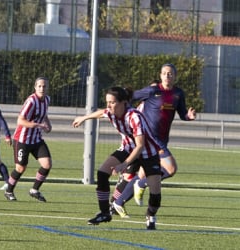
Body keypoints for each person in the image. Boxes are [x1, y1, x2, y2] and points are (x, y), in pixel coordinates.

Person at [111, 63, 196, 219]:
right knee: (170, 169)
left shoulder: (178, 93)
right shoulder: (152, 91)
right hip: (151, 138)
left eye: (170, 73)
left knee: (144, 174)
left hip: (163, 139)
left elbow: (182, 113)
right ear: (160, 75)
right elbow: (129, 98)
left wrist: (188, 117)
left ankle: (118, 202)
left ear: (175, 76)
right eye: (164, 73)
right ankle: (139, 186)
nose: (167, 76)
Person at [72, 86, 162, 229]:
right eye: (107, 102)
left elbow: (140, 146)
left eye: (112, 102)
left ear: (123, 103)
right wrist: (84, 117)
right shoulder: (111, 112)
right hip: (127, 148)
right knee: (102, 173)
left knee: (155, 195)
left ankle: (151, 215)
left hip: (148, 152)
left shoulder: (134, 116)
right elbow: (102, 113)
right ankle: (104, 213)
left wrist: (123, 164)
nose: (108, 106)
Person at [4, 77, 52, 202]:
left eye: (44, 86)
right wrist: (37, 125)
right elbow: (20, 120)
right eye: (39, 86)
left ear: (47, 88)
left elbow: (44, 114)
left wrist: (47, 124)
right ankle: (9, 191)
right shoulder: (31, 101)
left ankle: (34, 190)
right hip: (22, 139)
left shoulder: (47, 99)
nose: (42, 88)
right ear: (35, 87)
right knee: (20, 168)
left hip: (36, 139)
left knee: (47, 164)